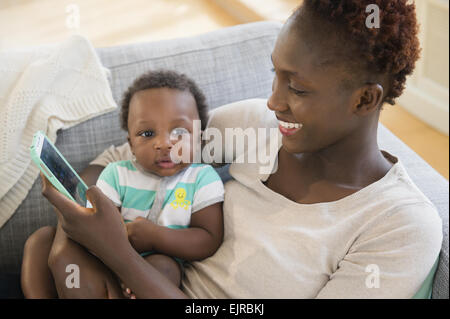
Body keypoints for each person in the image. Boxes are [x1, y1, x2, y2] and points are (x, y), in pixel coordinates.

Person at [22, 0, 442, 298]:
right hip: (143, 279)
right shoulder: (254, 128)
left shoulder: (399, 227)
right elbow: (125, 157)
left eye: (295, 87)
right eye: (275, 76)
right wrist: (72, 231)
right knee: (41, 243)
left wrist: (117, 252)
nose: (274, 101)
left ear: (365, 100)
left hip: (140, 274)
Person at [21, 70, 225, 298]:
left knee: (165, 266)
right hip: (103, 259)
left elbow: (209, 239)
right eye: (147, 133)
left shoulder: (202, 178)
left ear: (199, 137)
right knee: (39, 240)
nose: (164, 143)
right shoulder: (117, 174)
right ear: (131, 144)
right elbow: (99, 223)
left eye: (179, 131)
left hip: (156, 266)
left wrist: (155, 236)